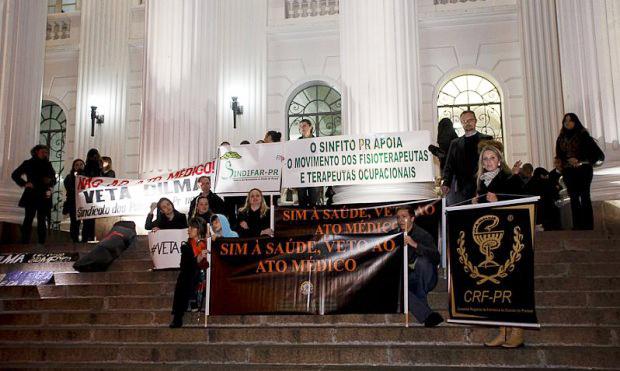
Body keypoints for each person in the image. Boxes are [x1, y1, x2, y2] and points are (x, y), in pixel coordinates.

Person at [475, 146, 525, 348]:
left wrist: (500, 199)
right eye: (485, 159)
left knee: (510, 284)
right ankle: (503, 331)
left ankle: (517, 331)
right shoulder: (481, 182)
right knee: (496, 286)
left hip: (509, 237)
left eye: (492, 158)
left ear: (499, 160)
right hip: (488, 239)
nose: (488, 162)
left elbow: (522, 200)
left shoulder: (508, 178)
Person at [394, 207, 443, 327]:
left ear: (412, 218)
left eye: (404, 217)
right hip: (410, 280)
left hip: (427, 277)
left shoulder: (422, 234)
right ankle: (428, 316)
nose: (400, 220)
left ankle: (421, 304)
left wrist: (414, 244)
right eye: (398, 217)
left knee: (422, 262)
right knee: (400, 289)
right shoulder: (394, 236)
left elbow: (436, 257)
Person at [555, 113, 604, 230]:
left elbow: (596, 154)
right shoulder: (560, 138)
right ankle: (577, 226)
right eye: (565, 121)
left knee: (585, 195)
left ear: (575, 122)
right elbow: (559, 155)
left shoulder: (583, 135)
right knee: (574, 197)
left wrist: (580, 160)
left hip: (583, 170)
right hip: (569, 172)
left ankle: (588, 225)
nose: (567, 123)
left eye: (570, 120)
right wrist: (568, 160)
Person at [441, 110, 493, 205]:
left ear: (475, 121)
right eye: (464, 121)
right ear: (461, 123)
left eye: (470, 120)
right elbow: (449, 166)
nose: (467, 123)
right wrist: (446, 183)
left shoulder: (487, 139)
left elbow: (495, 161)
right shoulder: (455, 143)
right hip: (462, 189)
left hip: (484, 185)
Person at [169, 217, 210, 328]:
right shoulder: (186, 246)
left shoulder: (209, 243)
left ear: (199, 229)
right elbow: (184, 266)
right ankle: (178, 316)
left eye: (192, 227)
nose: (189, 230)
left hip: (207, 274)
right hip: (192, 275)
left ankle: (193, 300)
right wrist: (198, 258)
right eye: (189, 227)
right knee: (184, 277)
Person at [11, 145, 56, 244]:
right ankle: (24, 242)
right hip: (32, 194)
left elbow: (54, 179)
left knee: (42, 219)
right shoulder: (28, 163)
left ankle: (41, 243)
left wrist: (51, 181)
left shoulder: (48, 165)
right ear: (36, 152)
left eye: (46, 152)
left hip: (44, 194)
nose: (45, 154)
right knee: (28, 218)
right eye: (43, 152)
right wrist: (24, 183)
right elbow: (15, 174)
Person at [296, 119, 322, 207]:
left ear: (310, 127)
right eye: (300, 126)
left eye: (304, 125)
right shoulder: (296, 142)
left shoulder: (318, 141)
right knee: (301, 201)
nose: (302, 128)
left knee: (314, 202)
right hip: (301, 176)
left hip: (314, 176)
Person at [81, 148, 102, 242]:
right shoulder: (92, 166)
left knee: (89, 219)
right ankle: (89, 237)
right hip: (91, 195)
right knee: (90, 219)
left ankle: (87, 237)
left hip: (91, 195)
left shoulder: (89, 166)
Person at [63, 159, 85, 243]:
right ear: (73, 167)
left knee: (86, 224)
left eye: (81, 164)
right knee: (75, 223)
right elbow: (69, 189)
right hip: (74, 203)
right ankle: (74, 240)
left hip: (85, 203)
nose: (79, 166)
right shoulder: (69, 177)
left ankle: (85, 239)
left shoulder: (87, 176)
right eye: (77, 165)